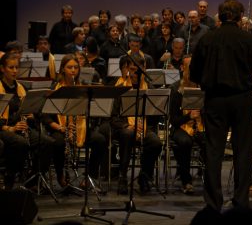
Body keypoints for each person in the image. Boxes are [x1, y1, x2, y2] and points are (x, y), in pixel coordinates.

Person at [189, 0, 252, 211]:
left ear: (220, 14)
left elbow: (194, 73)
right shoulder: (248, 39)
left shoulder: (207, 39)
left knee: (214, 150)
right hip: (242, 100)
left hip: (215, 99)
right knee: (242, 151)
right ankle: (240, 202)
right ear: (239, 16)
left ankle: (213, 203)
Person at [42, 54, 107, 188]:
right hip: (59, 127)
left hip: (80, 127)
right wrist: (60, 128)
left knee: (100, 140)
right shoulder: (55, 87)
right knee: (59, 142)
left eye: (76, 67)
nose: (73, 70)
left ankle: (89, 175)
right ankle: (60, 175)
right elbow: (45, 116)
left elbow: (91, 112)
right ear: (63, 69)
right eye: (69, 67)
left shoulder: (83, 87)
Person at [0, 53, 54, 190]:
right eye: (11, 67)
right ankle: (10, 177)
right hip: (4, 129)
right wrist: (10, 128)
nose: (14, 71)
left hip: (22, 127)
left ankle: (32, 178)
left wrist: (30, 116)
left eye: (16, 68)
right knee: (21, 143)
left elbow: (27, 111)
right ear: (2, 69)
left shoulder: (21, 88)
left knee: (48, 143)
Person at [111, 54, 162, 194]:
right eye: (133, 69)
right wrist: (127, 126)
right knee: (128, 134)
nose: (135, 73)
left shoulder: (150, 88)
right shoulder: (120, 88)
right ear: (127, 69)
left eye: (139, 69)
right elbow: (113, 117)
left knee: (156, 142)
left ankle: (144, 176)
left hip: (145, 127)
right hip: (124, 127)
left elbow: (156, 115)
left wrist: (145, 126)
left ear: (144, 68)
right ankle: (122, 178)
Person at [169, 56, 205, 194]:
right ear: (182, 68)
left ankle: (210, 180)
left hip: (199, 125)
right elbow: (174, 120)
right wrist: (188, 116)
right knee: (185, 142)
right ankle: (186, 180)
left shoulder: (202, 86)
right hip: (180, 127)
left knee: (210, 140)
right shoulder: (176, 89)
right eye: (188, 67)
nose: (191, 70)